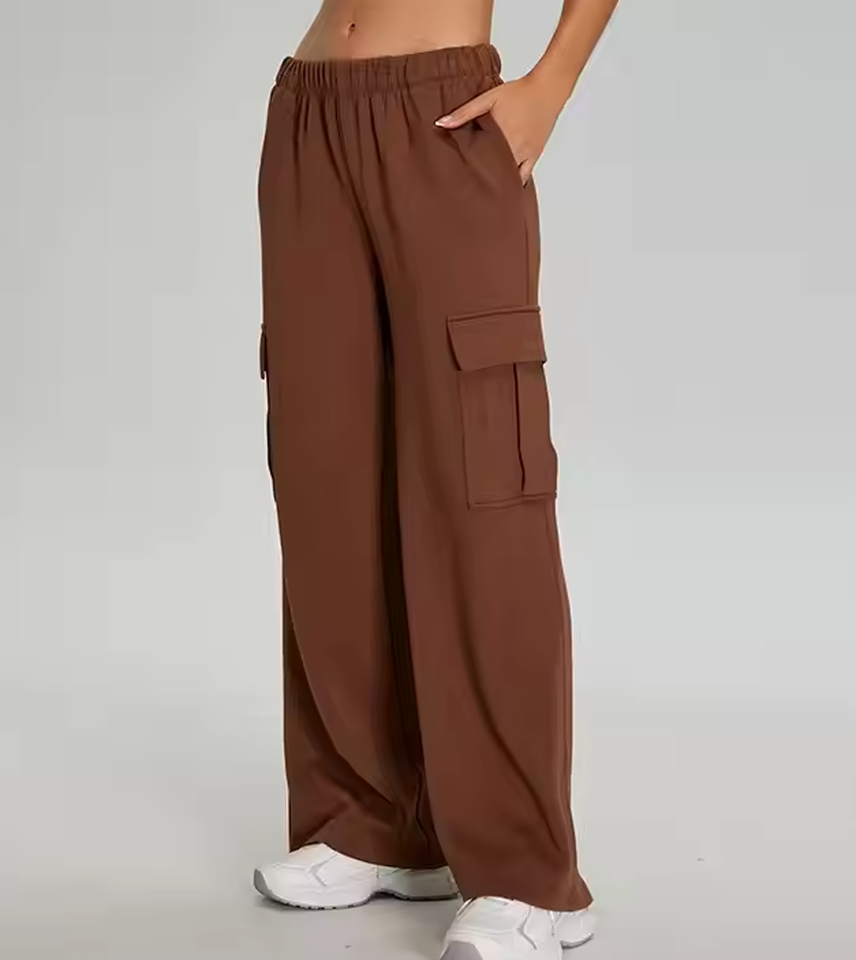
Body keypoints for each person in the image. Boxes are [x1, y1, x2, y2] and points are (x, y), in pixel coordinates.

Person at [253, 2, 618, 958]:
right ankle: (375, 822)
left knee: (480, 494)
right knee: (327, 481)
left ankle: (528, 875)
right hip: (310, 112)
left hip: (443, 113)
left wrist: (551, 84)